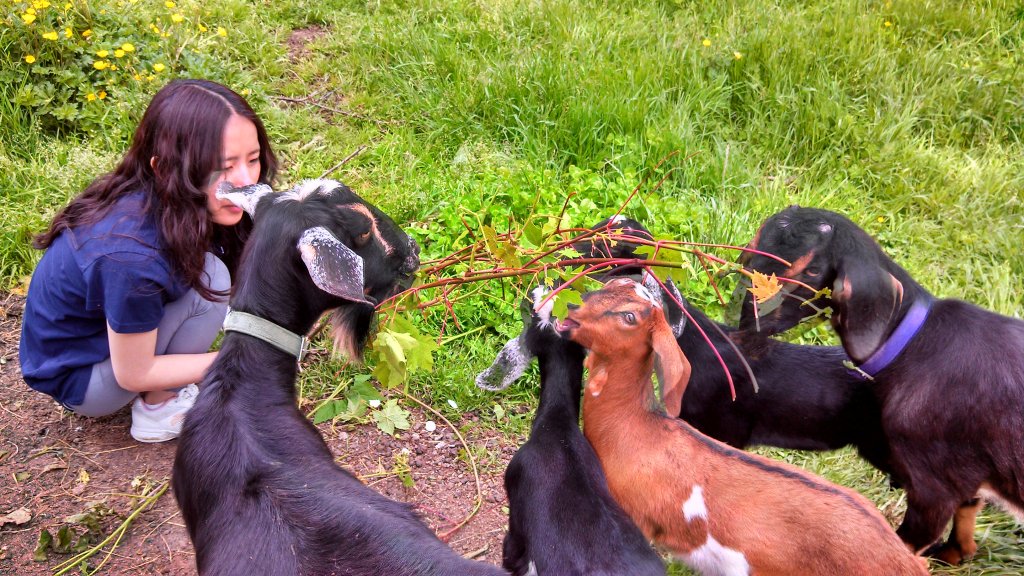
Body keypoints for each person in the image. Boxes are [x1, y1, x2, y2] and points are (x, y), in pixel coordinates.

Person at [19, 79, 278, 442]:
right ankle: (159, 407)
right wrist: (248, 361)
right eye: (224, 166)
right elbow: (133, 375)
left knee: (211, 274)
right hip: (84, 381)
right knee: (211, 282)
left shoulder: (166, 199)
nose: (246, 180)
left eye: (253, 160)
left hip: (102, 342)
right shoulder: (128, 256)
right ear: (164, 167)